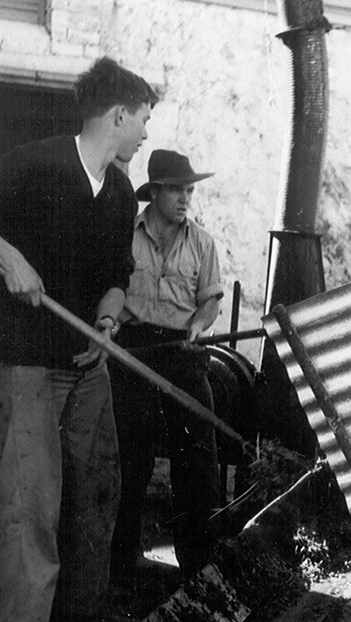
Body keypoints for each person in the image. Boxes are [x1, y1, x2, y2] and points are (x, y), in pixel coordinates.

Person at [0, 57, 158, 622]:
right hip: (31, 362)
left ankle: (80, 613)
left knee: (97, 485)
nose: (145, 133)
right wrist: (10, 258)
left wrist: (107, 322)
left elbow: (118, 273)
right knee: (34, 500)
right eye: (143, 119)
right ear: (119, 115)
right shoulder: (38, 164)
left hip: (88, 362)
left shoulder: (119, 192)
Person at [109, 149, 224, 587]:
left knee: (198, 460)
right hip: (133, 352)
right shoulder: (125, 235)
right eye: (176, 190)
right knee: (129, 459)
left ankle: (197, 568)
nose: (185, 199)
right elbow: (110, 286)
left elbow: (210, 301)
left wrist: (198, 324)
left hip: (182, 352)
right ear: (154, 192)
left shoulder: (202, 243)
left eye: (189, 191)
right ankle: (121, 565)